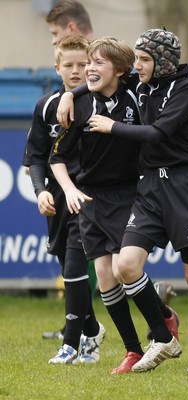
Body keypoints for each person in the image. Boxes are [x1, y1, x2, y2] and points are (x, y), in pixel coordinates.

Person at [79, 28, 188, 373]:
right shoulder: (141, 84)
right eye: (138, 59)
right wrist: (72, 94)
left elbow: (158, 133)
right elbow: (106, 75)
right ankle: (164, 337)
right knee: (125, 266)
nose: (138, 66)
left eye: (145, 59)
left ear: (162, 62)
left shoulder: (187, 91)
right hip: (149, 189)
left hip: (183, 188)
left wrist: (111, 126)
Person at [50, 36, 180, 374]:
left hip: (130, 194)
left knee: (125, 266)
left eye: (97, 63)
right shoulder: (79, 105)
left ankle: (164, 334)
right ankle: (134, 349)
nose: (89, 69)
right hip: (90, 198)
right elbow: (57, 158)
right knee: (105, 276)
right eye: (87, 62)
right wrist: (69, 190)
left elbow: (164, 78)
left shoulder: (137, 94)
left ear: (121, 71)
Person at [23, 35, 105, 364]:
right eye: (69, 65)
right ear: (57, 68)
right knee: (68, 269)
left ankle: (69, 345)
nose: (76, 70)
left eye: (83, 64)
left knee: (74, 266)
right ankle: (93, 329)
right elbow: (36, 158)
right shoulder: (45, 106)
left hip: (89, 196)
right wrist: (41, 191)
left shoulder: (101, 102)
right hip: (57, 197)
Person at [43, 0, 97, 341]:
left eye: (55, 33)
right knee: (83, 258)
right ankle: (80, 325)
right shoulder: (51, 102)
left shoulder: (108, 64)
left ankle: (77, 328)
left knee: (109, 261)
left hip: (103, 186)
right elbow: (42, 154)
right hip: (69, 190)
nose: (53, 40)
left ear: (72, 30)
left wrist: (72, 95)